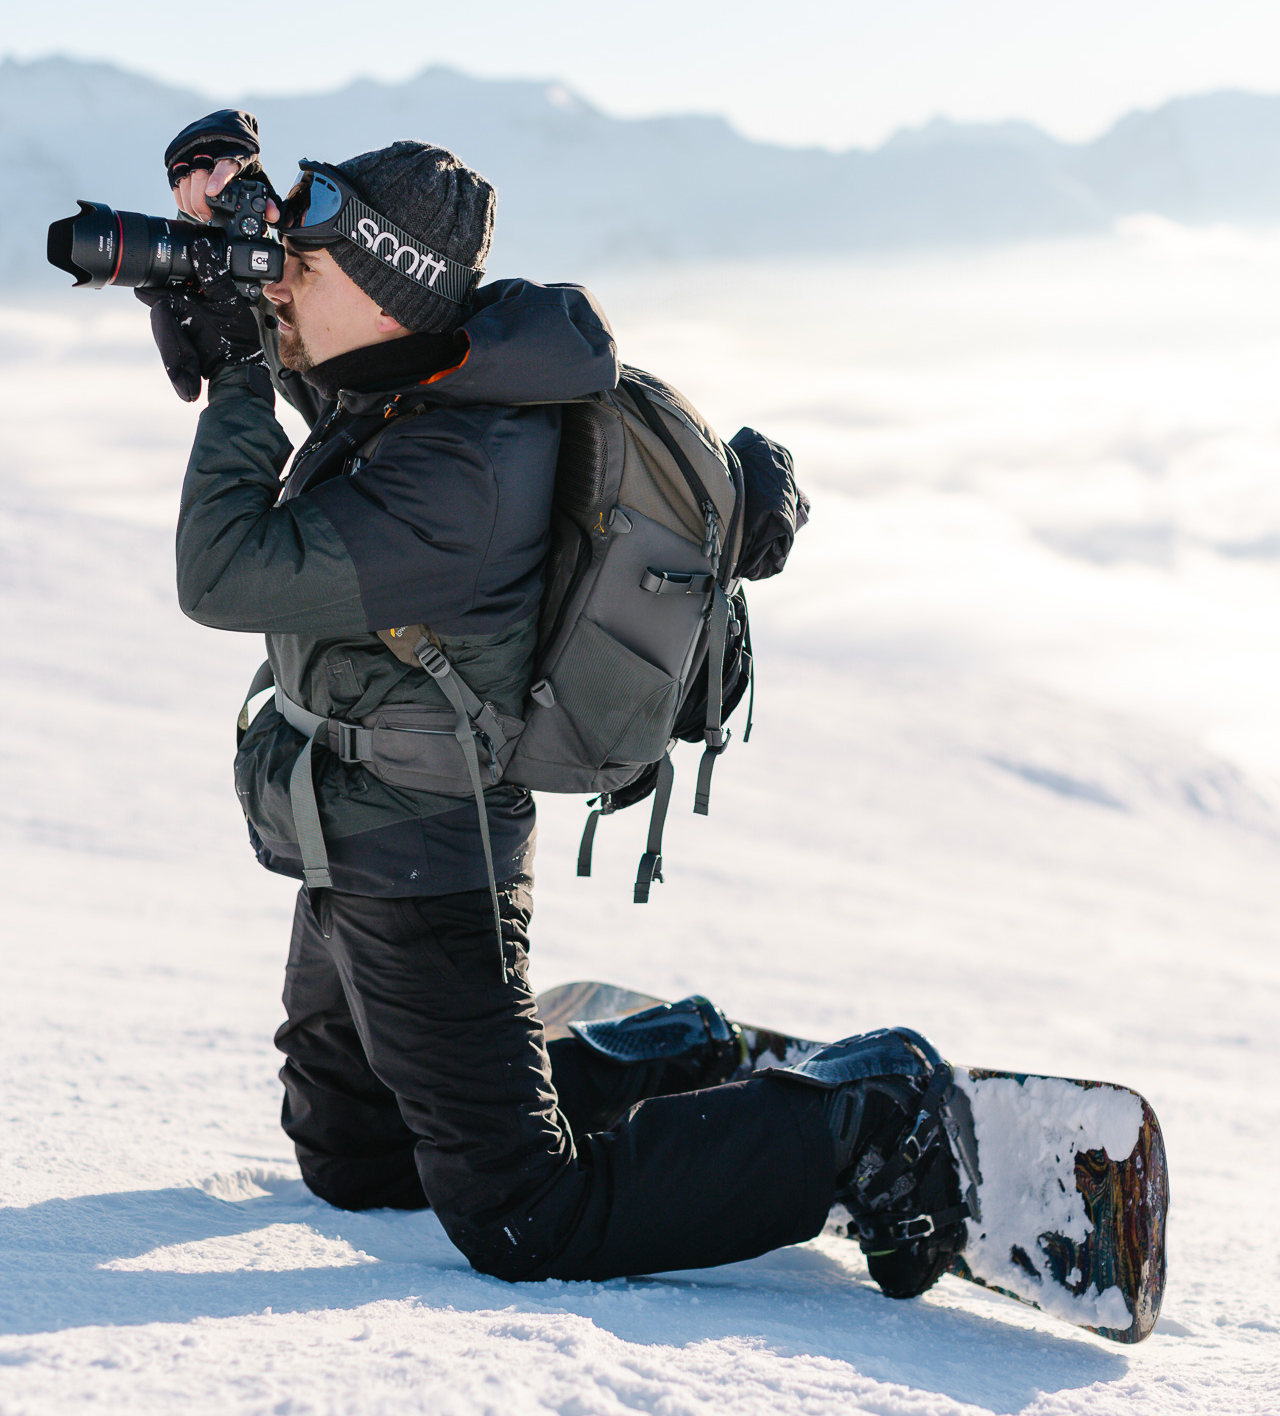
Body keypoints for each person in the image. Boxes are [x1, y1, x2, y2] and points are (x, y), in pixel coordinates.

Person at [145, 109, 966, 1294]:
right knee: (355, 1159)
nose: (278, 292)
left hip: (429, 855)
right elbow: (293, 355)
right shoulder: (401, 371)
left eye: (299, 272)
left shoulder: (456, 474)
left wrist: (231, 359)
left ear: (383, 291)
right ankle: (667, 1057)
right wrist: (222, 247)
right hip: (343, 824)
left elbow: (220, 571)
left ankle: (868, 1116)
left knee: (525, 1214)